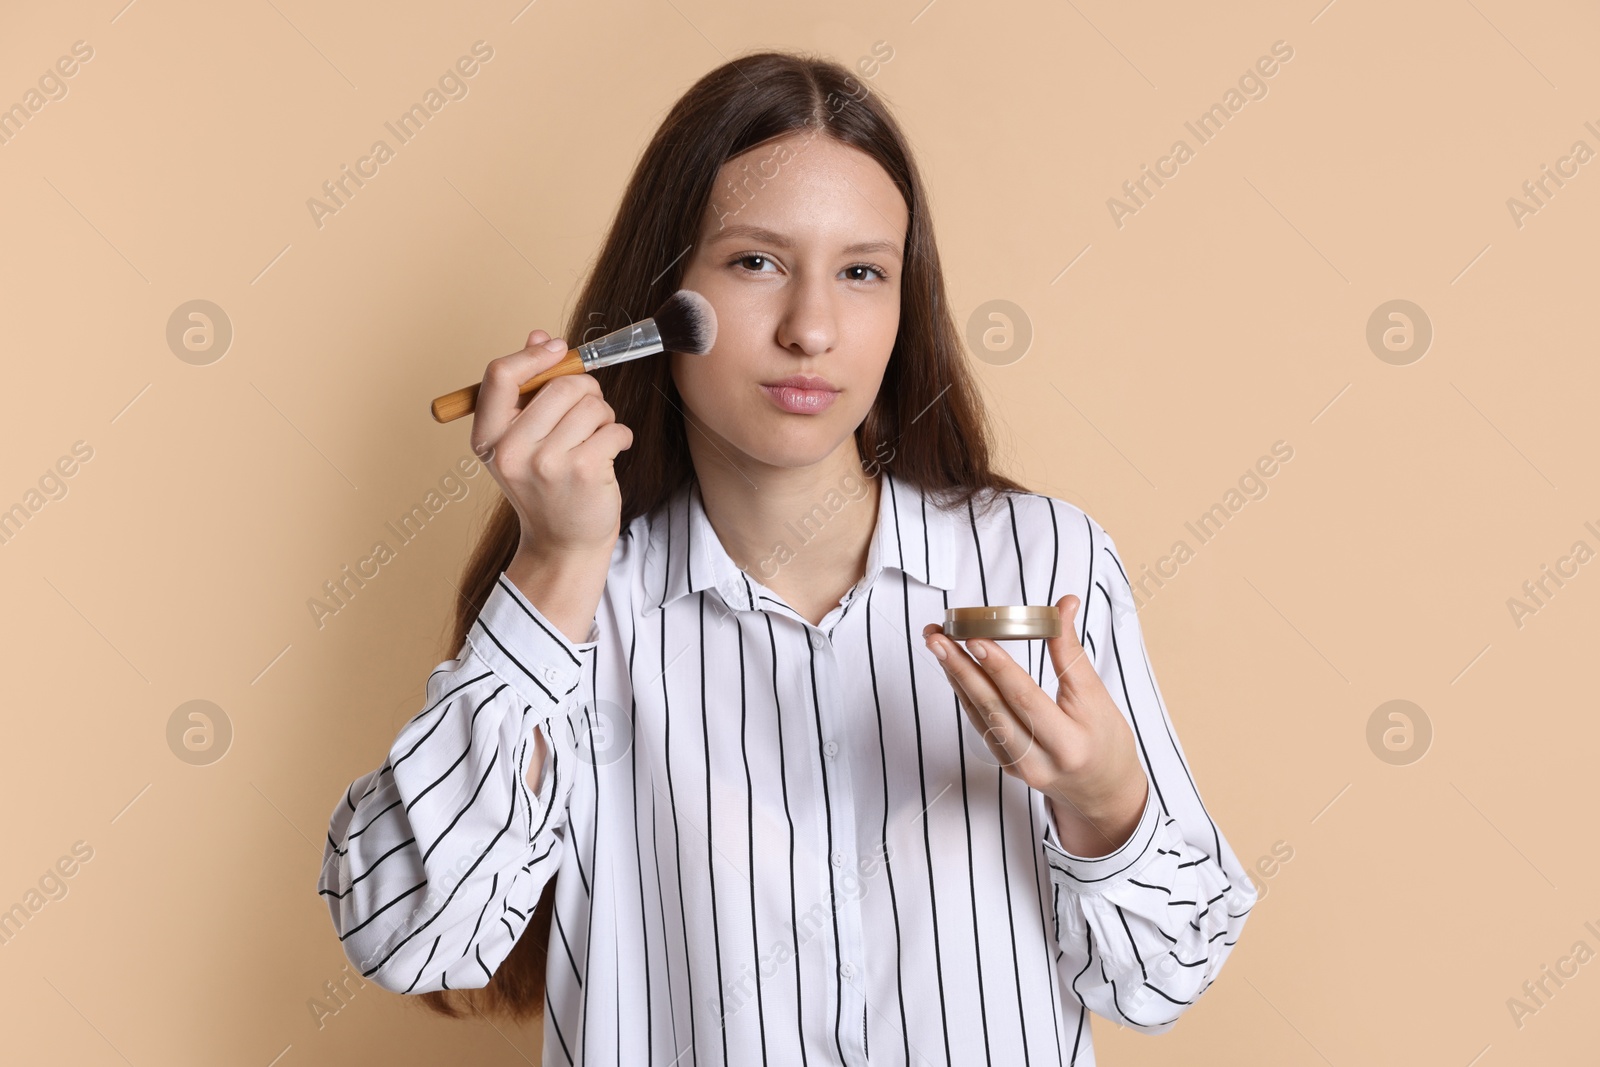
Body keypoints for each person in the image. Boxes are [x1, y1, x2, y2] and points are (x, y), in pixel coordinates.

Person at [318, 49, 1255, 1066]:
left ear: (906, 304)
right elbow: (414, 935)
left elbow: (1165, 976)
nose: (812, 328)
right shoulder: (589, 603)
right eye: (756, 262)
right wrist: (553, 565)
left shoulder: (1038, 562)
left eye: (862, 272)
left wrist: (1108, 801)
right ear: (659, 301)